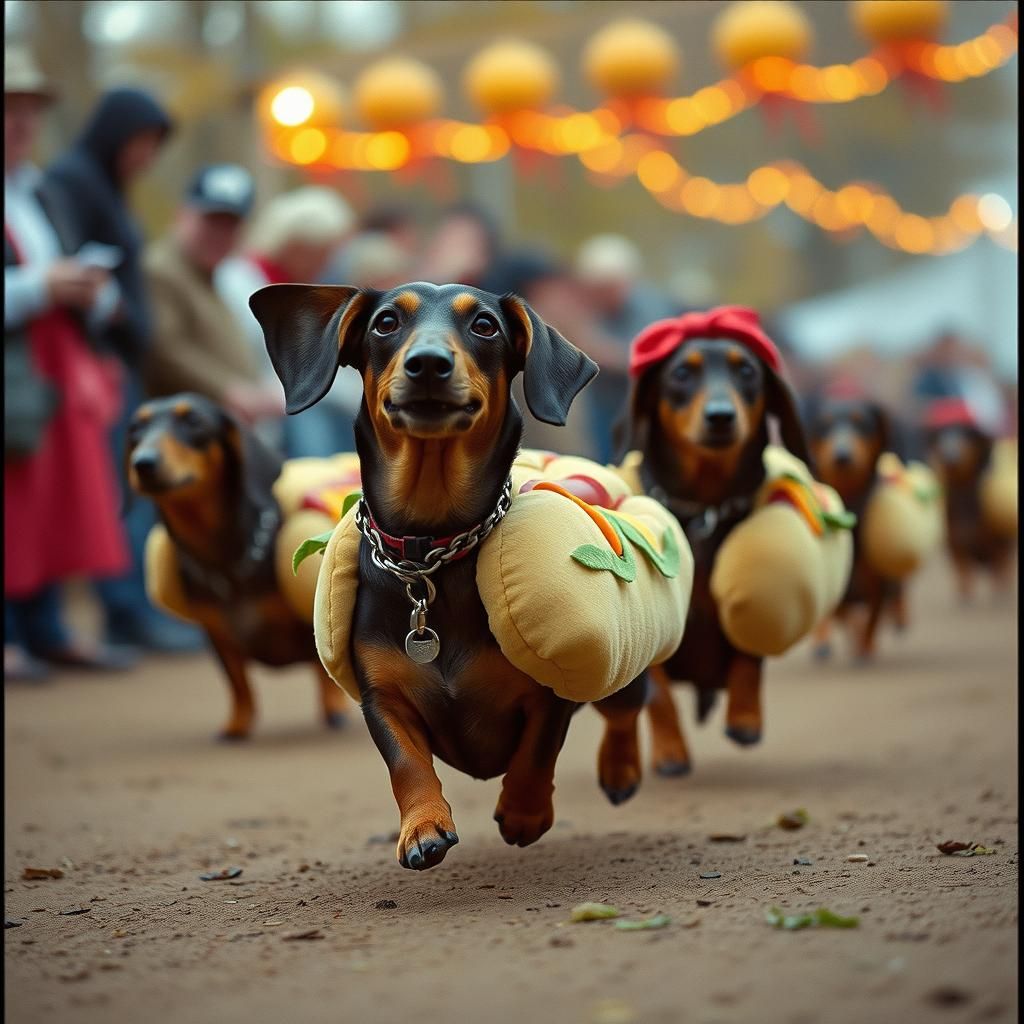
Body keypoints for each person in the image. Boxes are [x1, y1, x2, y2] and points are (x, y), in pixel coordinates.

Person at [44, 85, 199, 652]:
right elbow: (73, 266)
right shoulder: (74, 182)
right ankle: (125, 613)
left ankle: (135, 610)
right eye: (142, 142)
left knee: (128, 488)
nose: (147, 156)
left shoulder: (103, 184)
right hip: (96, 362)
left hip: (115, 357)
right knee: (117, 492)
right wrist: (112, 313)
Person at [4, 49, 136, 680]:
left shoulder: (35, 192)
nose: (21, 122)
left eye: (28, 109)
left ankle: (47, 628)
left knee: (49, 499)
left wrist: (89, 293)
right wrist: (41, 287)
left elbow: (60, 276)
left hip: (47, 368)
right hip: (17, 367)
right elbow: (36, 283)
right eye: (9, 108)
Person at [216, 186, 356, 456]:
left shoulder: (299, 290)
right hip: (259, 411)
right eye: (324, 251)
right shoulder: (238, 282)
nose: (329, 261)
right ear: (298, 245)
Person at [143, 164, 282, 431]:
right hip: (177, 432)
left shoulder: (211, 273)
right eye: (211, 221)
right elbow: (164, 348)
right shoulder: (161, 270)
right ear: (182, 215)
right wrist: (230, 390)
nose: (220, 234)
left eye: (230, 225)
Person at [573, 234, 678, 462]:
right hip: (603, 404)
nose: (600, 295)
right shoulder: (589, 306)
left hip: (645, 405)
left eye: (606, 288)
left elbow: (653, 358)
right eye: (595, 288)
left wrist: (602, 351)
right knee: (605, 463)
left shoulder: (650, 307)